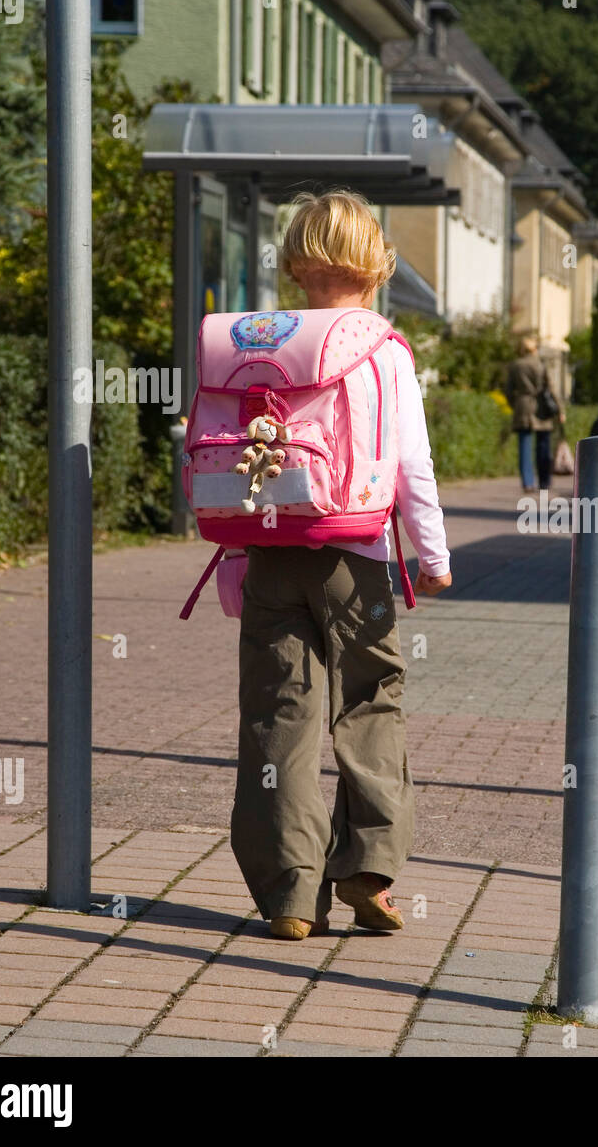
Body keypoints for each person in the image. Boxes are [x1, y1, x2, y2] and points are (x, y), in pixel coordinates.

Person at [233, 190, 452, 941]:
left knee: (280, 716)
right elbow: (412, 466)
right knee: (370, 702)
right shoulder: (384, 350)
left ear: (296, 260)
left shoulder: (260, 341)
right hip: (356, 556)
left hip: (270, 548)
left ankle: (291, 896)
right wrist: (434, 555)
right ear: (376, 261)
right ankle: (365, 867)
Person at [505, 335, 563, 493]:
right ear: (534, 349)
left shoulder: (516, 365)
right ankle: (544, 482)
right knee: (543, 446)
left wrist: (515, 404)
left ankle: (527, 482)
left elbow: (508, 391)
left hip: (523, 405)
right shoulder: (540, 365)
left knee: (524, 446)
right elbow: (552, 388)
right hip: (541, 407)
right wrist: (560, 410)